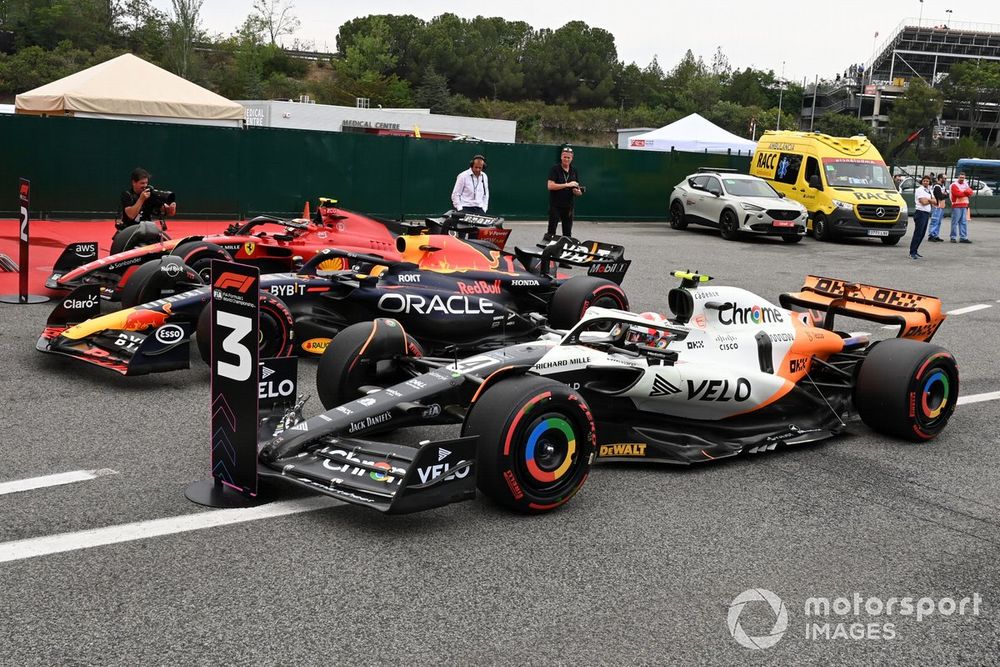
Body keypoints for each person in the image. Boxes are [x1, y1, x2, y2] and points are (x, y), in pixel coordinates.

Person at [545, 146, 583, 241]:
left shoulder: (574, 170)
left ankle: (566, 247)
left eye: (568, 157)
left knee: (567, 232)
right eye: (564, 157)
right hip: (556, 205)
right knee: (551, 230)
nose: (566, 159)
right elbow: (550, 186)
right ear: (561, 157)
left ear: (572, 158)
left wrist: (578, 192)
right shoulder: (555, 169)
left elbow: (576, 188)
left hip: (569, 206)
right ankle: (548, 247)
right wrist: (567, 184)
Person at [911, 176, 934, 259]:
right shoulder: (919, 190)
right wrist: (930, 200)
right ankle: (912, 252)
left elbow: (935, 201)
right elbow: (923, 202)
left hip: (926, 213)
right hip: (920, 213)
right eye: (924, 181)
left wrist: (928, 200)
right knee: (918, 233)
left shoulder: (929, 190)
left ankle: (915, 250)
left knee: (922, 234)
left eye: (927, 181)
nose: (926, 182)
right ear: (922, 181)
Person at [948, 172, 973, 243]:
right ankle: (953, 237)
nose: (962, 179)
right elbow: (957, 194)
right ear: (958, 177)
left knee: (963, 222)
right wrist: (966, 193)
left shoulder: (966, 184)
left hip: (964, 205)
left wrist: (965, 193)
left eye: (963, 177)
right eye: (961, 177)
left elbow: (970, 193)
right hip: (956, 205)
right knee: (955, 222)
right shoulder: (954, 185)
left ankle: (963, 237)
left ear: (965, 178)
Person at [927, 173, 948, 242]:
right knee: (935, 221)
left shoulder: (943, 186)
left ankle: (936, 235)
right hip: (936, 206)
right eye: (944, 178)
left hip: (941, 206)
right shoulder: (937, 186)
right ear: (940, 178)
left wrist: (944, 195)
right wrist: (944, 195)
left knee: (938, 222)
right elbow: (940, 197)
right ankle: (931, 235)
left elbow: (947, 195)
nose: (945, 180)